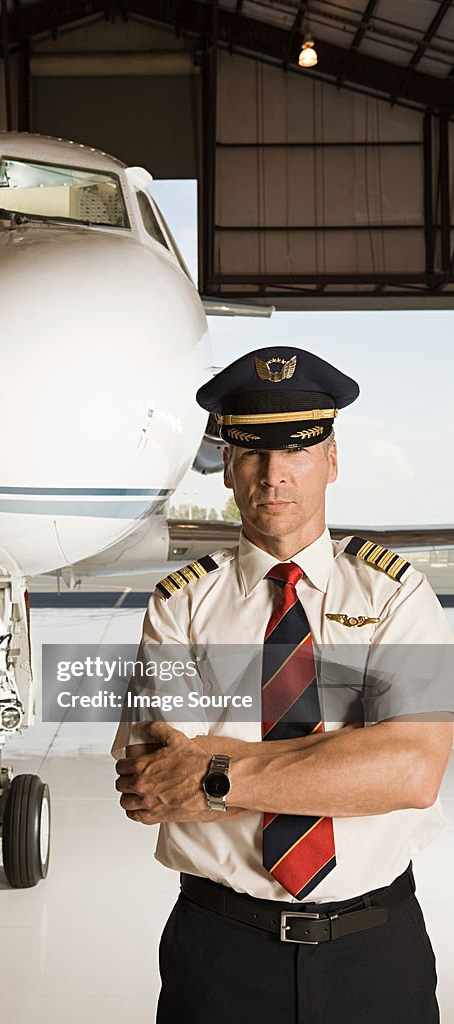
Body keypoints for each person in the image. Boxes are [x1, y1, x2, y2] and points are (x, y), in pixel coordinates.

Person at [111, 345, 454, 1024]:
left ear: (330, 461)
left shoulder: (396, 593)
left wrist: (214, 774)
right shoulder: (181, 603)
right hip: (218, 952)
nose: (274, 474)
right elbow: (157, 782)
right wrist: (352, 753)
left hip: (375, 951)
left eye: (297, 448)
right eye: (250, 450)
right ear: (227, 469)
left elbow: (411, 773)